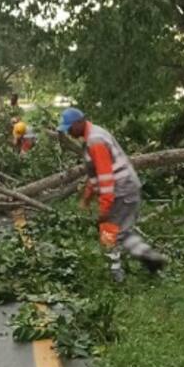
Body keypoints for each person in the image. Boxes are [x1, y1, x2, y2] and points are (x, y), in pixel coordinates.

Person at [57, 107, 166, 282]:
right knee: (122, 231)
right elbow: (94, 174)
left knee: (110, 231)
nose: (68, 132)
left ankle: (116, 273)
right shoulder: (92, 136)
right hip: (126, 187)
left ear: (80, 122)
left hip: (121, 190)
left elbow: (105, 176)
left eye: (70, 128)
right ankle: (150, 258)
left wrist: (105, 207)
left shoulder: (95, 141)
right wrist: (87, 198)